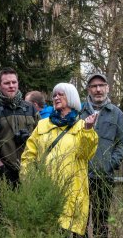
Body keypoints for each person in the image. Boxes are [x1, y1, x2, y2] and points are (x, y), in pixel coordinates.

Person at [21, 83, 98, 236]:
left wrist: (88, 130)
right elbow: (28, 156)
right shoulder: (42, 125)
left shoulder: (83, 126)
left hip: (72, 196)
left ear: (70, 97)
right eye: (54, 95)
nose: (56, 97)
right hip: (44, 192)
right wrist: (29, 179)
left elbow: (86, 154)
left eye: (60, 94)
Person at [80, 73, 123, 238]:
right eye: (94, 86)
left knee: (102, 223)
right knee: (80, 223)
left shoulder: (116, 114)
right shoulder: (79, 111)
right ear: (88, 89)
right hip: (80, 177)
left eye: (101, 85)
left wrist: (110, 164)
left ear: (107, 88)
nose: (98, 89)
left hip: (104, 177)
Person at [0, 67, 39, 186]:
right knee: (4, 204)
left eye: (14, 82)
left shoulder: (30, 108)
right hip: (3, 170)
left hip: (29, 168)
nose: (11, 86)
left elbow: (40, 135)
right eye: (6, 83)